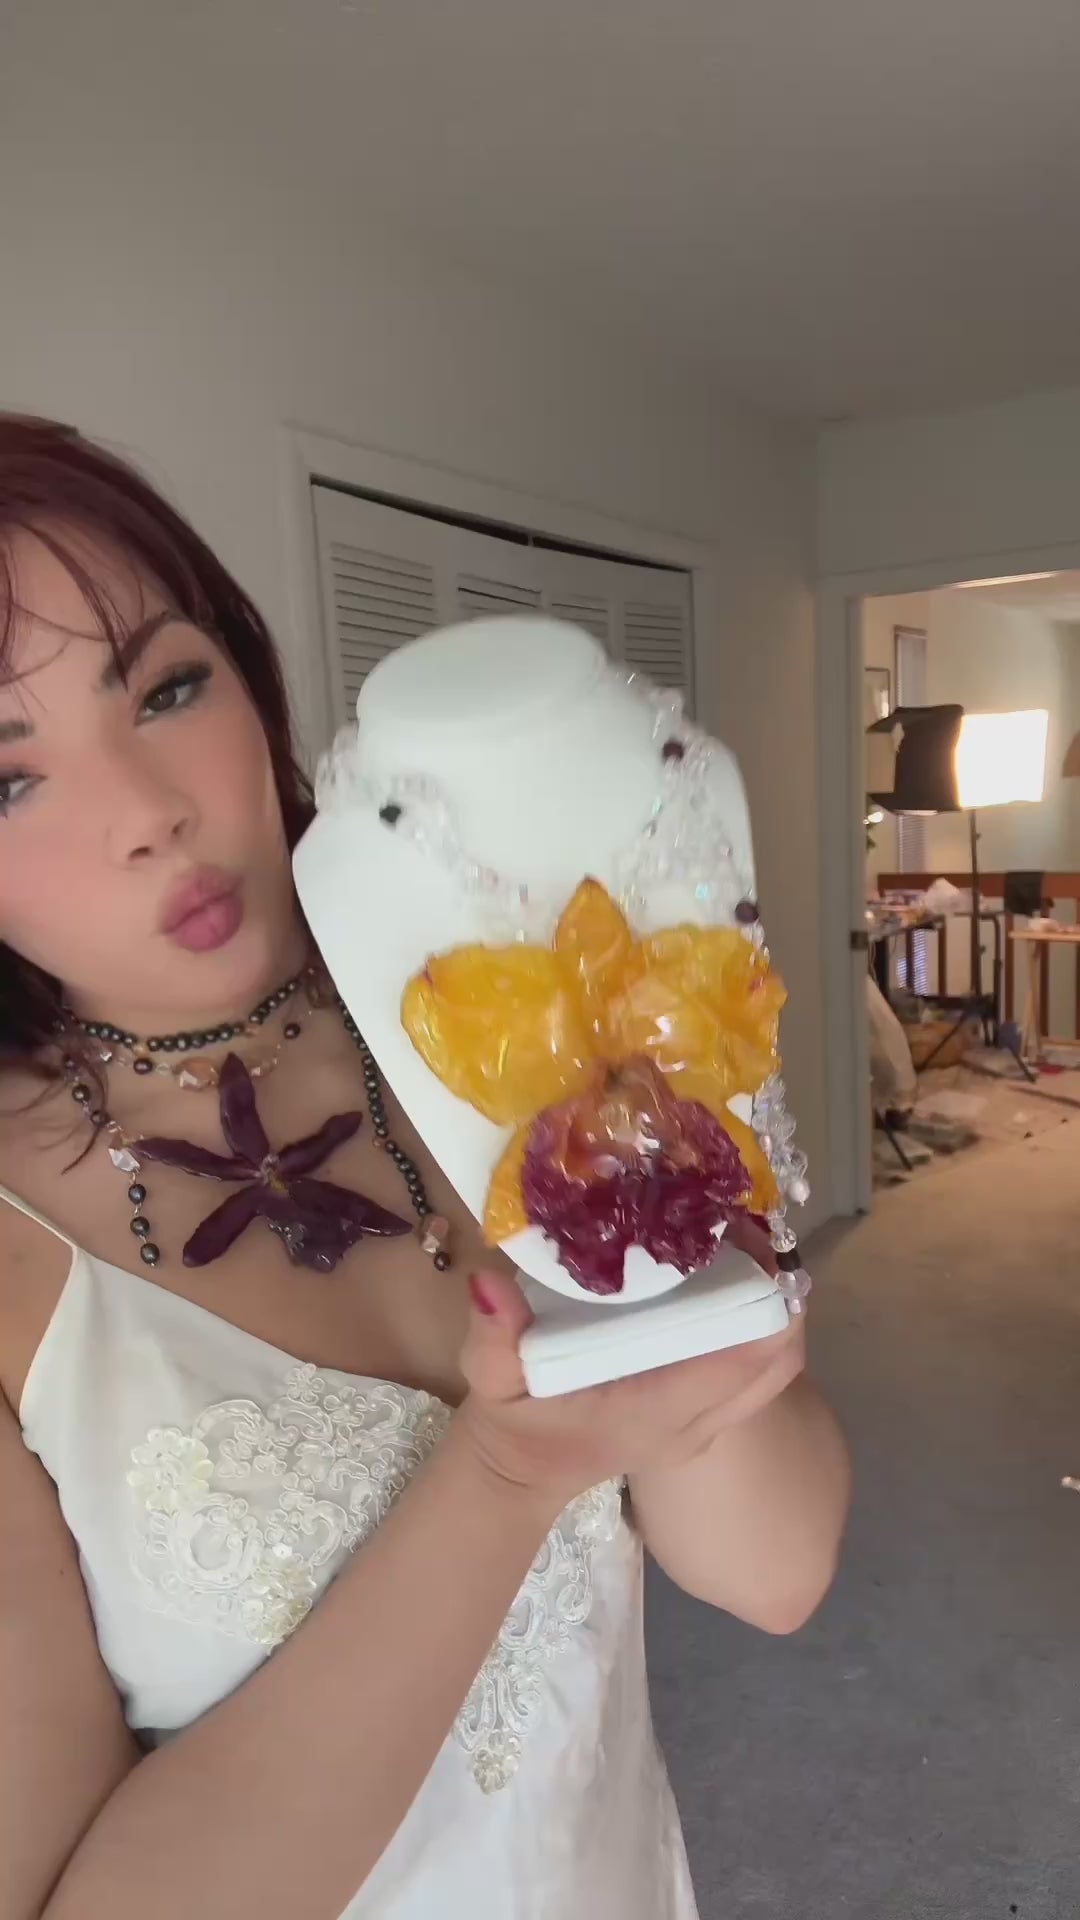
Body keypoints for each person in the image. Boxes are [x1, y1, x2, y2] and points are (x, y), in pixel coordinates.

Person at [0, 414, 850, 1920]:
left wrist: (684, 1202)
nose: (151, 812)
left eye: (168, 688)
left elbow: (773, 1571)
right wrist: (504, 1480)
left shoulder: (493, 1008)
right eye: (9, 781)